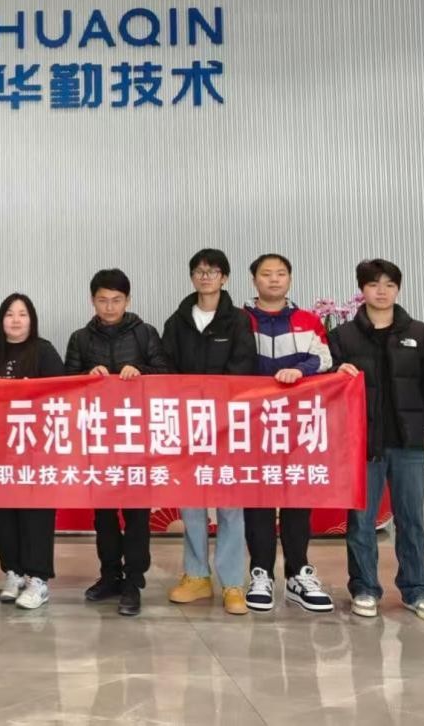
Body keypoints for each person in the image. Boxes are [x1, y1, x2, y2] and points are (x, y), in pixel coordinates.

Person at [330, 258, 424, 622]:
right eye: (373, 284)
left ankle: (418, 590)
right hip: (362, 444)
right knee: (361, 521)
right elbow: (326, 381)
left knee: (411, 520)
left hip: (409, 443)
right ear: (362, 290)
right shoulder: (343, 337)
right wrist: (336, 370)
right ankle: (364, 588)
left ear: (398, 289)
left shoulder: (421, 334)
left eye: (389, 284)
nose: (381, 291)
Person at [63, 268, 170, 617]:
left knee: (137, 514)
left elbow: (167, 374)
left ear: (128, 300)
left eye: (116, 300)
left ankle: (133, 581)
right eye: (102, 300)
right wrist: (86, 376)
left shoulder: (145, 333)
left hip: (137, 437)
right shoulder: (80, 338)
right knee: (105, 514)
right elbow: (65, 383)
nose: (109, 307)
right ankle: (110, 575)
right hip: (97, 438)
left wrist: (141, 372)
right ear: (92, 301)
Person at [162, 249, 257, 616]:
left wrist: (216, 403)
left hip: (227, 425)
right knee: (192, 503)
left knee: (230, 505)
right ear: (192, 277)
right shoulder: (177, 322)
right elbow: (166, 369)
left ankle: (232, 582)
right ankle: (197, 576)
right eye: (200, 271)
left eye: (213, 271)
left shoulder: (238, 321)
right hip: (188, 424)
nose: (206, 277)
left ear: (225, 278)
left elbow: (243, 366)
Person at [242, 254, 335, 612]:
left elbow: (324, 358)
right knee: (259, 500)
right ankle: (261, 573)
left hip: (297, 425)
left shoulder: (308, 321)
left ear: (290, 279)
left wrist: (300, 371)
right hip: (253, 425)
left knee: (297, 497)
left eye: (281, 274)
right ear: (254, 280)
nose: (274, 280)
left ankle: (298, 574)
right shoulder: (241, 320)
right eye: (266, 274)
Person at [0, 293, 65, 610]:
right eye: (9, 314)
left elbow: (62, 394)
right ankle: (13, 573)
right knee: (4, 513)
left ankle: (38, 579)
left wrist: (33, 393)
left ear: (32, 319)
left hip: (36, 449)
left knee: (36, 513)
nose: (16, 320)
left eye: (22, 314)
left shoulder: (45, 351)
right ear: (1, 319)